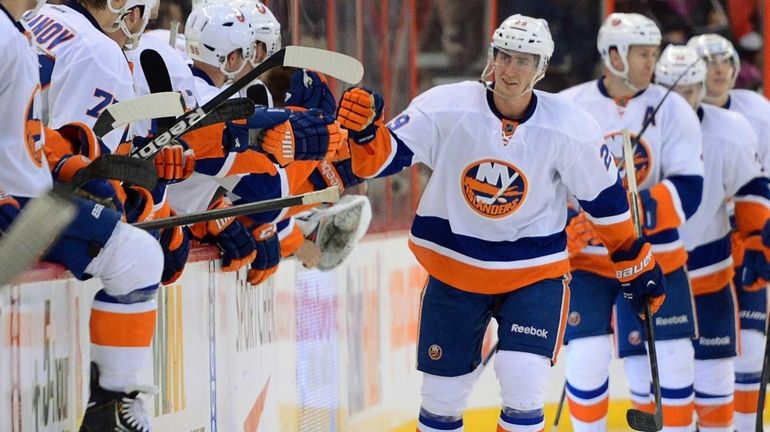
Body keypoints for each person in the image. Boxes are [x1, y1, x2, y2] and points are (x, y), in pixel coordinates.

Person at [336, 14, 665, 432]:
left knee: (523, 381)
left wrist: (631, 256)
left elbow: (605, 199)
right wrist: (365, 134)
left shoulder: (569, 125)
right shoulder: (446, 106)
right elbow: (382, 159)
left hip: (534, 273)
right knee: (441, 400)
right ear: (492, 58)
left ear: (542, 69)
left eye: (524, 61)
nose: (511, 70)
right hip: (455, 269)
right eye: (505, 56)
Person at [1, 0, 162, 430]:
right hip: (19, 195)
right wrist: (95, 178)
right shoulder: (99, 51)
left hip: (22, 185)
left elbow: (38, 136)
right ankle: (111, 409)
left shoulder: (31, 23)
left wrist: (72, 159)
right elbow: (71, 156)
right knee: (139, 256)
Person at [559, 13, 704, 431]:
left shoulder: (673, 108)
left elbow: (688, 189)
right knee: (585, 360)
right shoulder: (570, 105)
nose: (651, 63)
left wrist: (612, 218)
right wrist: (566, 222)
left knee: (669, 365)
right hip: (587, 264)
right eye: (643, 53)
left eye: (653, 54)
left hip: (655, 259)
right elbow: (548, 183)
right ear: (614, 54)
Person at [657, 44, 770, 432]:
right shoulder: (654, 121)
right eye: (708, 63)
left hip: (735, 245)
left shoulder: (756, 115)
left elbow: (760, 185)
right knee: (674, 366)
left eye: (726, 61)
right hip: (685, 256)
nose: (717, 70)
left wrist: (760, 236)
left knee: (748, 350)